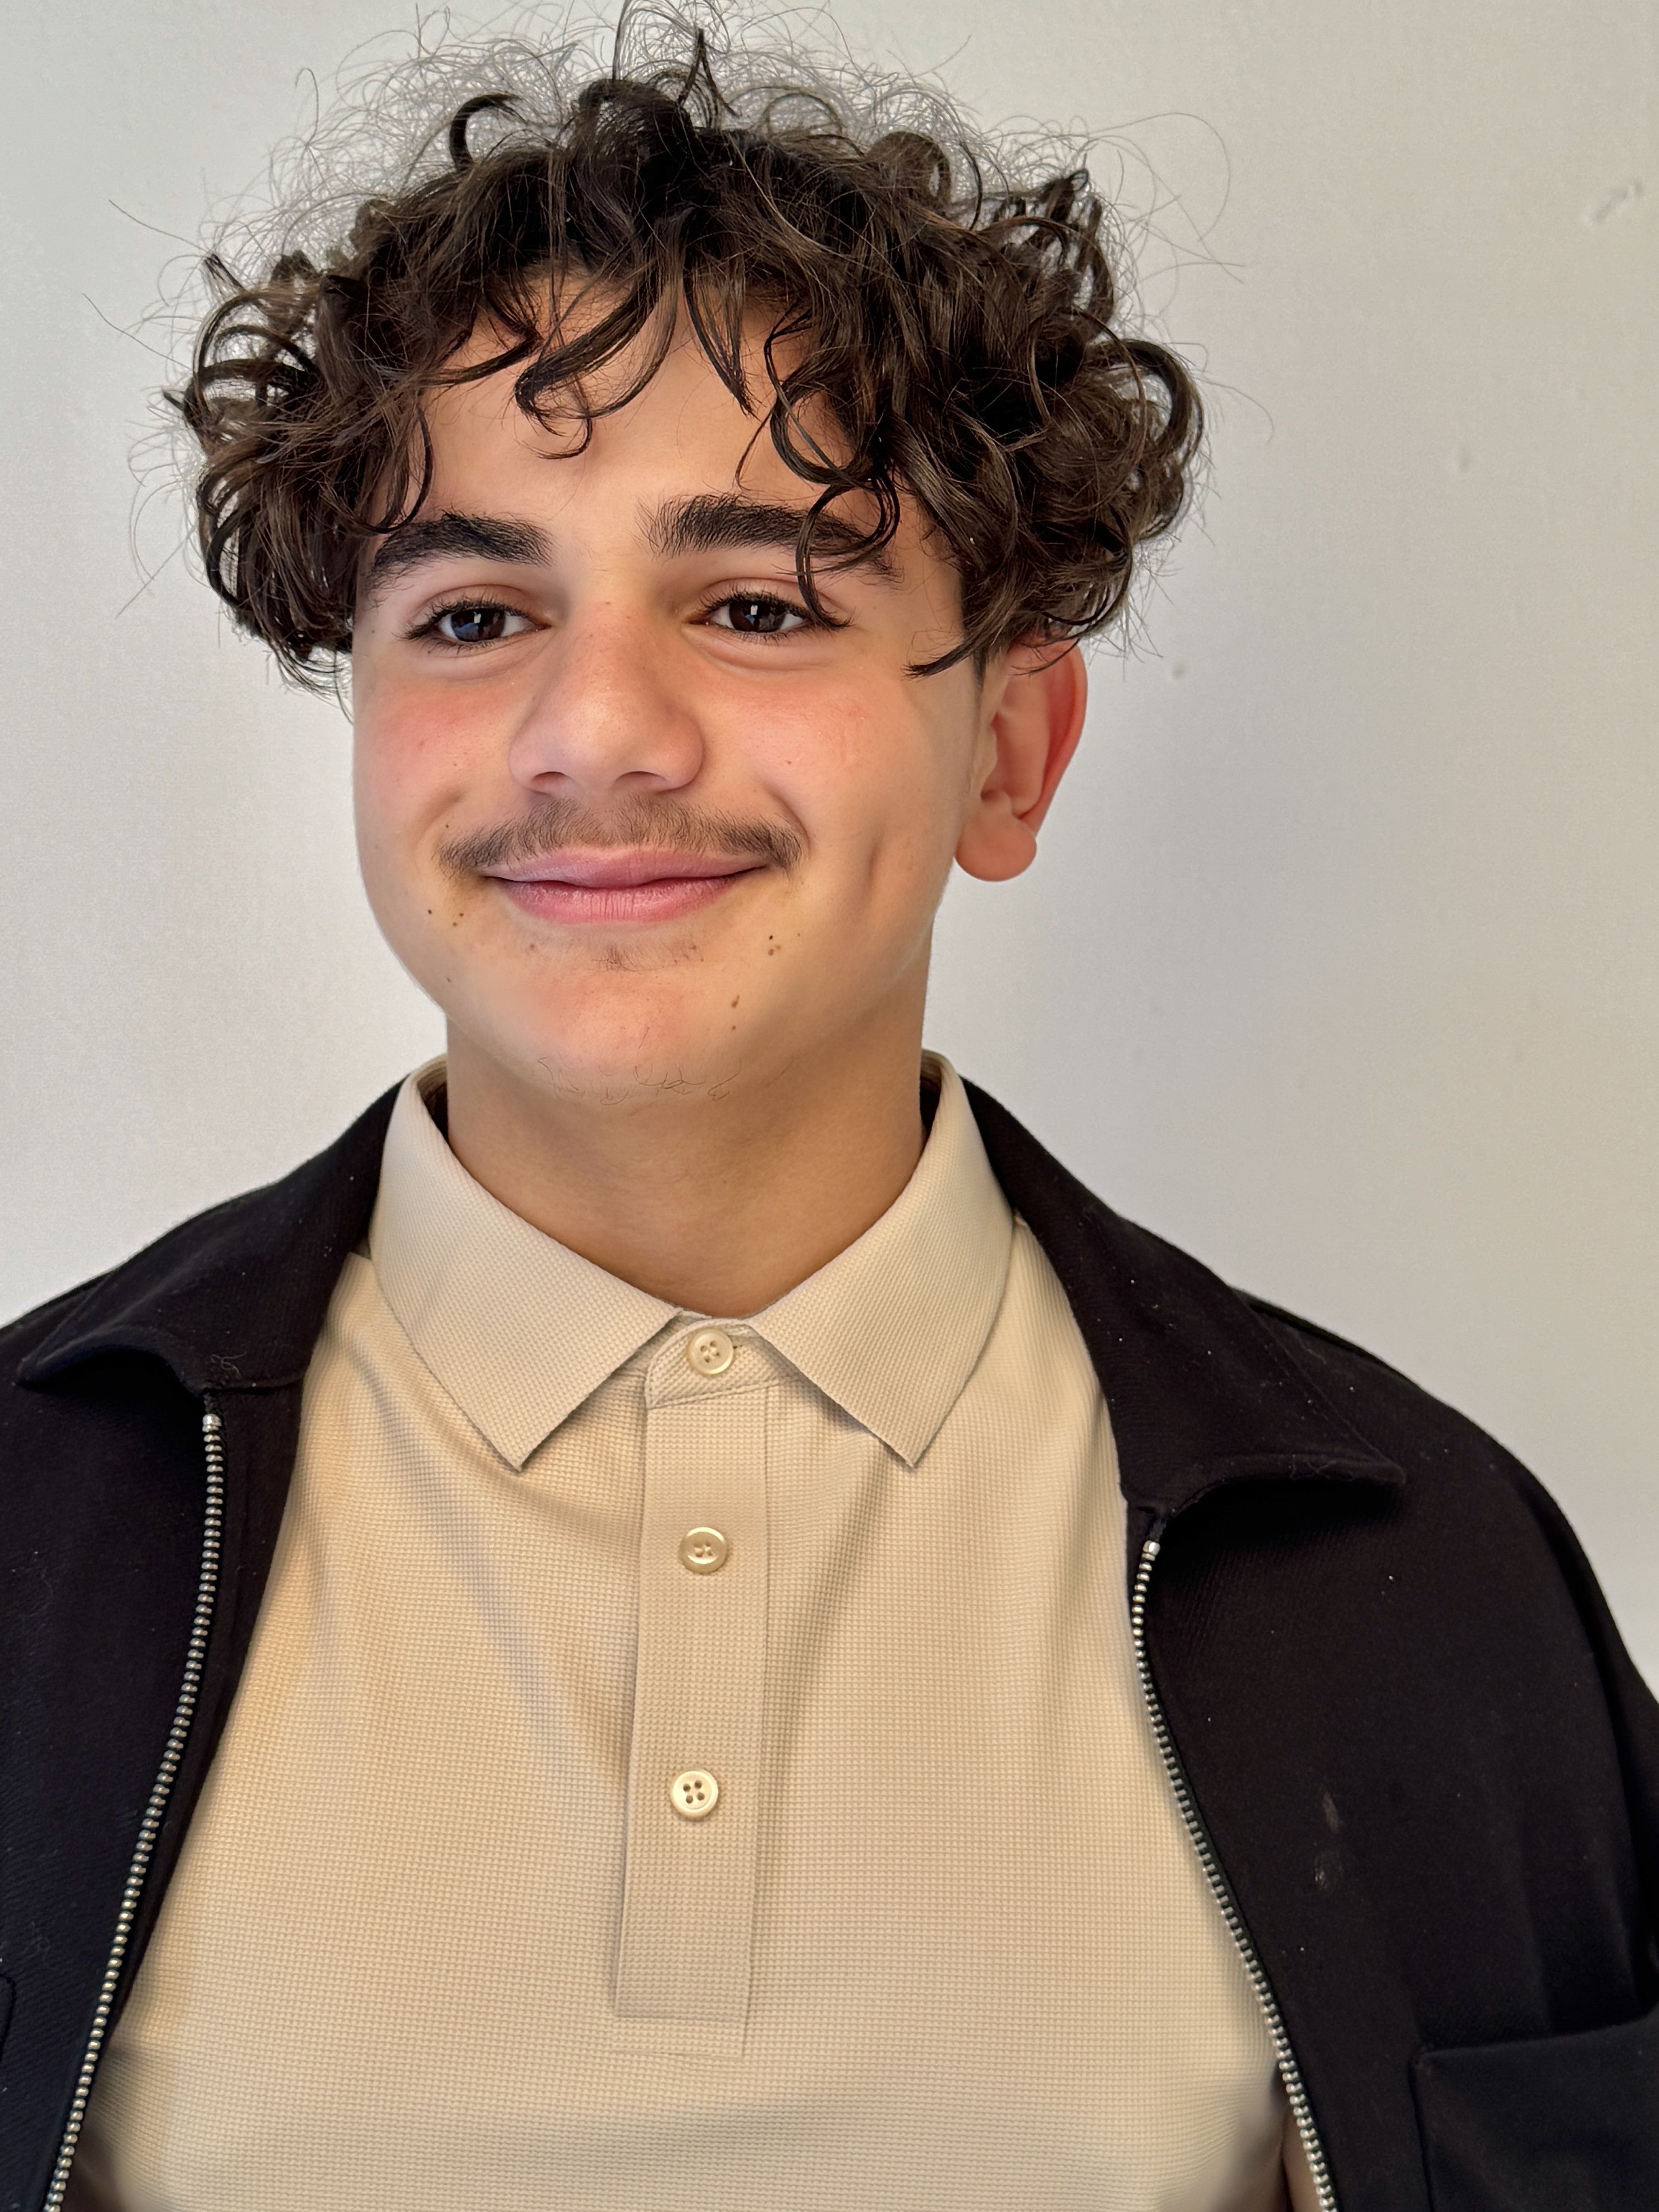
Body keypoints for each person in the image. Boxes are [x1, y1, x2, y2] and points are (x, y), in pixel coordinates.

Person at [3, 14, 1656, 2211]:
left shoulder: (1426, 1575)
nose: (597, 730)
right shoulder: (22, 1519)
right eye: (475, 612)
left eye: (761, 602)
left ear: (1010, 754)